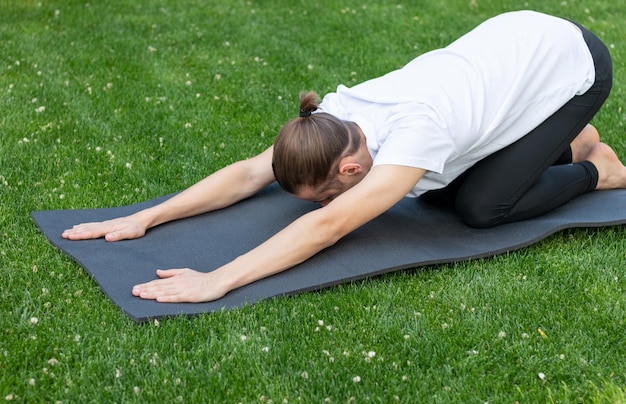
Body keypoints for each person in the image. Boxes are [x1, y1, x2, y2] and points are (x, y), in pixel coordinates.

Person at [62, 10, 626, 303]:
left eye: (328, 191)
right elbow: (248, 174)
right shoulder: (336, 116)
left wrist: (219, 279)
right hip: (513, 52)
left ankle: (595, 165)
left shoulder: (414, 133)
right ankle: (566, 138)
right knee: (439, 190)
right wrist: (146, 217)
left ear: (351, 170)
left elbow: (329, 227)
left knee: (477, 206)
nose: (325, 203)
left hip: (572, 64)